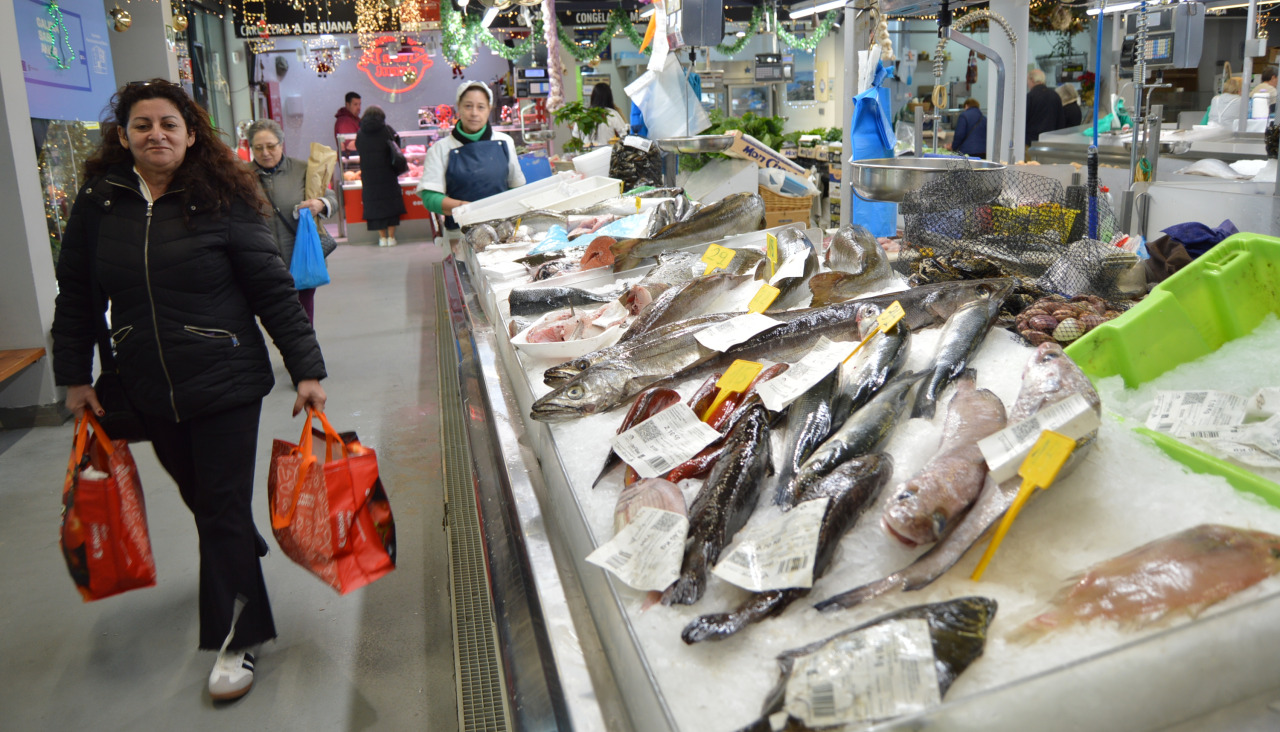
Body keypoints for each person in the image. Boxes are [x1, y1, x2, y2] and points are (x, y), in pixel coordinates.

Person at [50, 79, 327, 703]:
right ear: (123, 136)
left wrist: (306, 370)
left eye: (168, 124)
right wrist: (74, 376)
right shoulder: (100, 201)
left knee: (220, 510)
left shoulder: (225, 196)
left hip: (225, 377)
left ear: (191, 132)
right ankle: (239, 551)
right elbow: (78, 296)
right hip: (143, 381)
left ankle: (239, 636)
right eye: (142, 125)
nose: (156, 135)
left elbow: (271, 290)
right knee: (201, 496)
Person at [246, 118, 337, 323]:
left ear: (281, 144)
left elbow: (332, 199)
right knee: (275, 321)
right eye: (258, 148)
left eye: (271, 146)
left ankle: (305, 354)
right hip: (262, 265)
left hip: (302, 259)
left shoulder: (303, 169)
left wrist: (320, 204)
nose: (265, 153)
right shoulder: (241, 176)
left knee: (303, 320)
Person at [416, 80, 525, 231]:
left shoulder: (505, 142)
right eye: (468, 106)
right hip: (460, 234)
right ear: (458, 108)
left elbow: (517, 188)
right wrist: (464, 208)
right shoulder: (440, 149)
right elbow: (430, 197)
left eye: (481, 107)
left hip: (502, 230)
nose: (474, 113)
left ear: (489, 110)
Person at [355, 105, 407, 247]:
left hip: (369, 176)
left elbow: (358, 148)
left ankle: (382, 238)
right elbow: (397, 145)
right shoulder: (387, 130)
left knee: (375, 206)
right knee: (390, 205)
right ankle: (391, 238)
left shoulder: (360, 133)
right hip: (387, 173)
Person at [573, 83, 629, 148]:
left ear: (593, 96)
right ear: (609, 97)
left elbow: (575, 136)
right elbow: (624, 134)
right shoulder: (612, 113)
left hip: (587, 153)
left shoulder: (584, 114)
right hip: (607, 153)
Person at [1026, 68, 1066, 147]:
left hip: (1032, 142)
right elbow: (1061, 121)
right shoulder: (1055, 95)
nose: (1028, 84)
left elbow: (1024, 120)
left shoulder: (1030, 96)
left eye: (1028, 81)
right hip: (1051, 142)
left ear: (1032, 80)